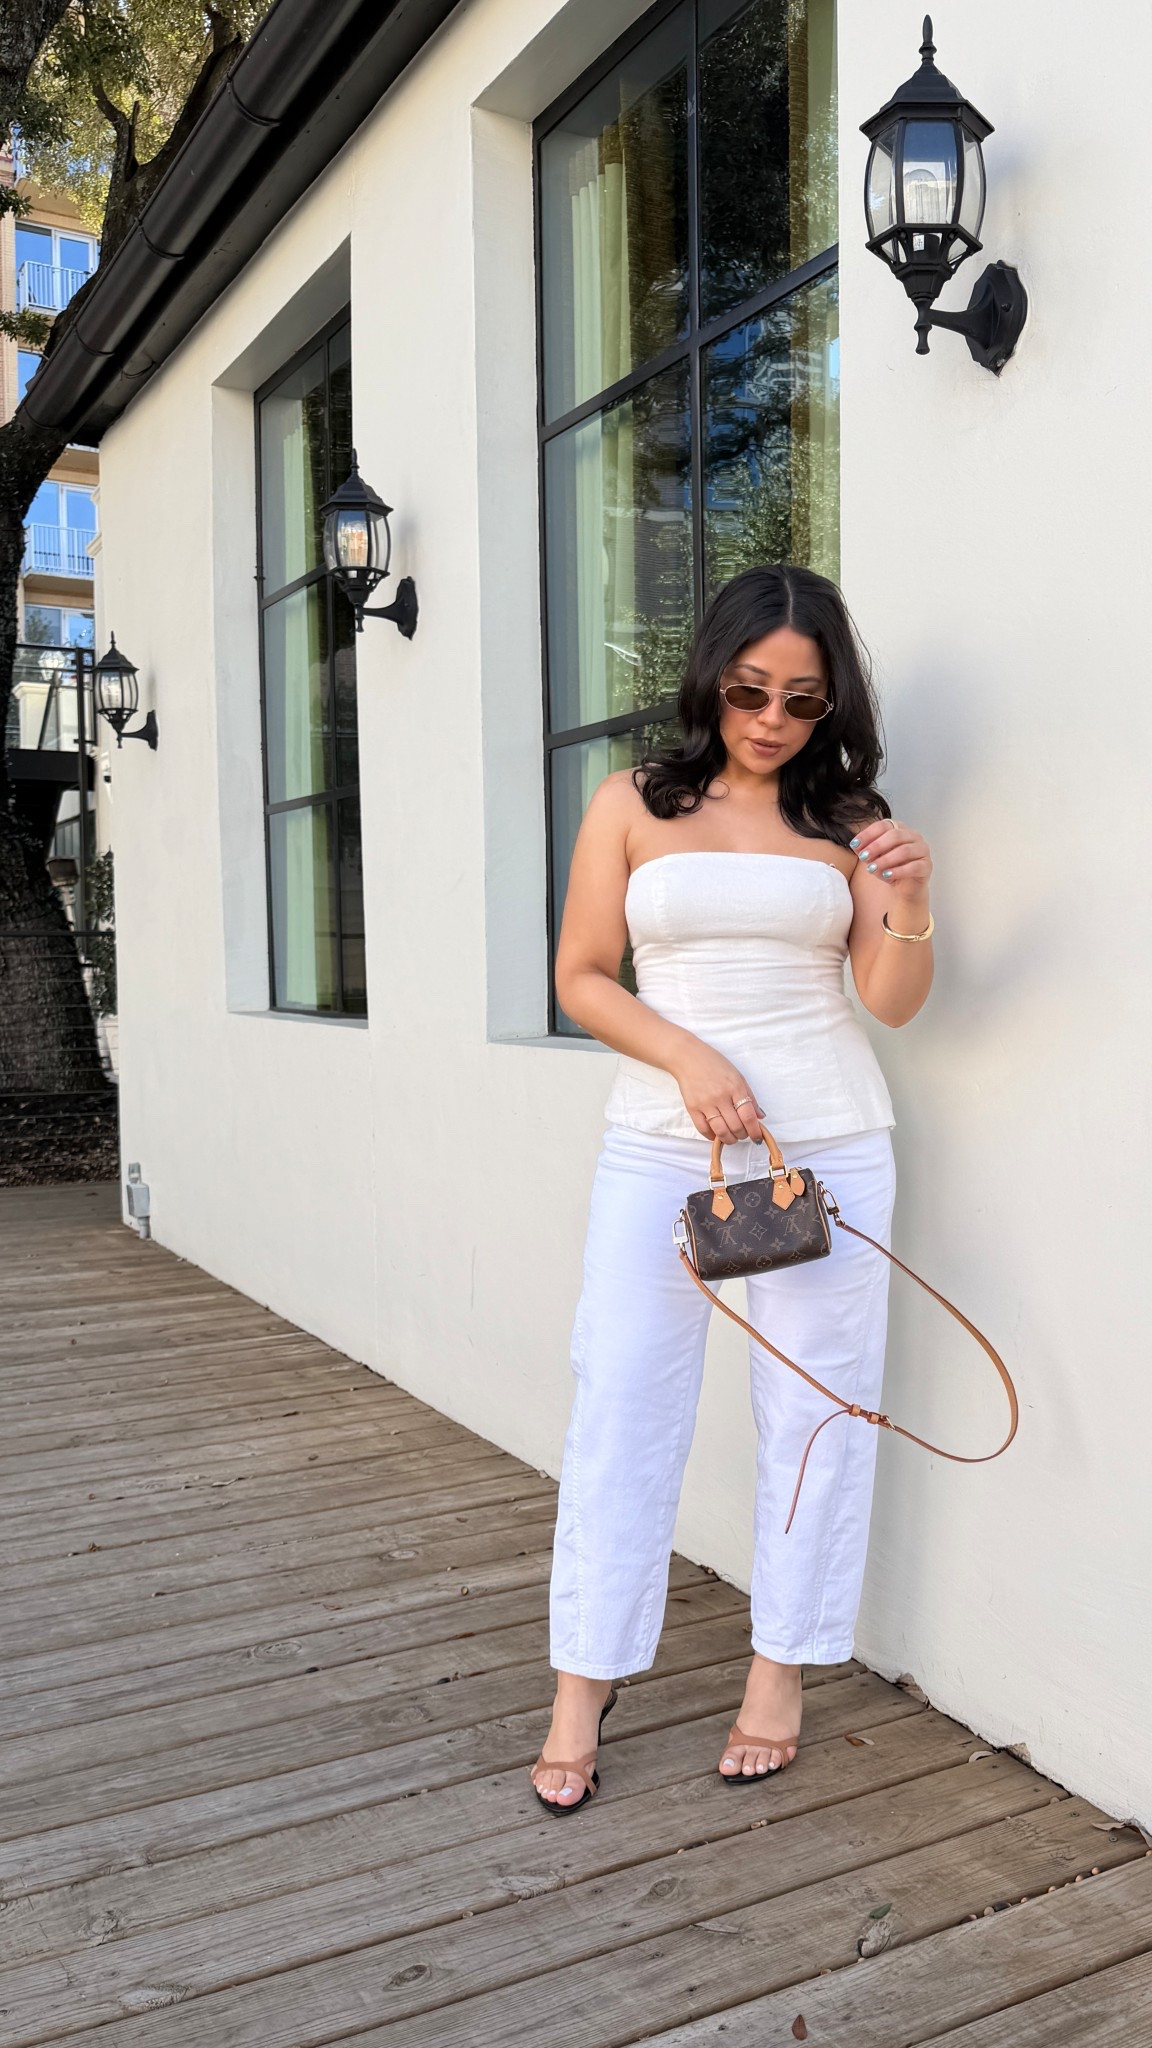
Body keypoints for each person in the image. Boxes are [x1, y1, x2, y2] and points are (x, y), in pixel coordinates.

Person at [528, 563, 934, 1815]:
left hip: (830, 1144)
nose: (772, 719)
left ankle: (780, 1670)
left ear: (830, 705)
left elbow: (892, 1002)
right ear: (712, 678)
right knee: (622, 1401)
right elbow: (584, 974)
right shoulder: (632, 803)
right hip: (665, 1142)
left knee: (816, 1410)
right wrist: (688, 1052)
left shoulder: (847, 818)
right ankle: (582, 1680)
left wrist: (910, 901)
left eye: (802, 700)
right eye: (752, 690)